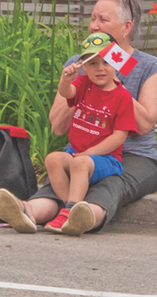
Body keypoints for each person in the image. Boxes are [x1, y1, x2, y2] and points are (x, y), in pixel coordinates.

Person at [0, 0, 157, 236]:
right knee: (62, 177)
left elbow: (145, 124)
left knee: (109, 183)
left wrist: (115, 77)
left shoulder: (149, 66)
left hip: (133, 156)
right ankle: (26, 210)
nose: (94, 26)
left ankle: (83, 218)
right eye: (93, 18)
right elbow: (57, 126)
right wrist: (82, 80)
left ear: (126, 26)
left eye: (103, 20)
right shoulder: (81, 62)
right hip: (82, 150)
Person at [37, 32, 139, 235]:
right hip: (77, 152)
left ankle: (69, 211)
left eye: (106, 62)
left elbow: (119, 137)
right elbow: (68, 94)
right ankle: (71, 208)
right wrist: (65, 81)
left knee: (79, 163)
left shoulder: (123, 97)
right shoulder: (84, 84)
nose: (100, 68)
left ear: (116, 64)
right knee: (53, 159)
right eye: (92, 63)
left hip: (107, 159)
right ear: (84, 66)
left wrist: (87, 154)